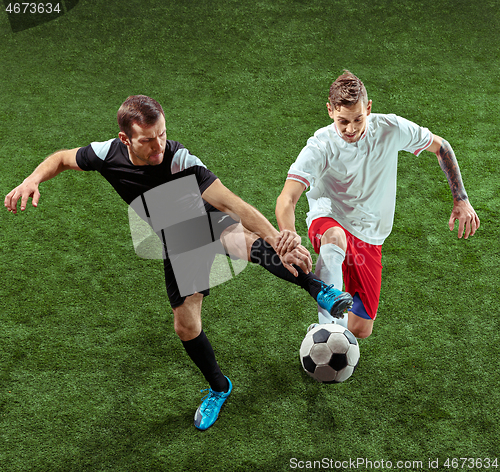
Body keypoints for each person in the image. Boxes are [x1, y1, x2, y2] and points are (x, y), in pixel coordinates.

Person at [4, 95, 353, 431]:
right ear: (125, 139)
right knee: (186, 326)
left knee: (242, 239)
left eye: (163, 135)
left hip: (212, 222)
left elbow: (233, 204)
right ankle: (219, 387)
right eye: (148, 141)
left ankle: (319, 289)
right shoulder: (107, 154)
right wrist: (33, 178)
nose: (158, 146)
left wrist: (277, 239)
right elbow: (64, 158)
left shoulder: (180, 161)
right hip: (182, 242)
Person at [275, 71, 480, 340]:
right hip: (329, 218)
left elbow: (442, 147)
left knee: (360, 330)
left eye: (358, 119)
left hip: (371, 234)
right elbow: (287, 198)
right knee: (334, 237)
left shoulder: (391, 128)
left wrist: (461, 200)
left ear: (369, 109)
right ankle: (327, 328)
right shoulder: (320, 146)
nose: (350, 128)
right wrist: (289, 232)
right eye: (342, 121)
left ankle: (336, 330)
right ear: (329, 111)